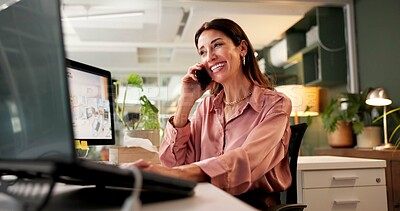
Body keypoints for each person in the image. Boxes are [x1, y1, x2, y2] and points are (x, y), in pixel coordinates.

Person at [128, 18, 292, 209]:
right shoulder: (207, 107)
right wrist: (186, 102)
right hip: (207, 199)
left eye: (217, 45)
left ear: (242, 49)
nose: (210, 57)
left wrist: (178, 174)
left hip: (251, 204)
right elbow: (172, 163)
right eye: (203, 52)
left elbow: (246, 160)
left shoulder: (275, 105)